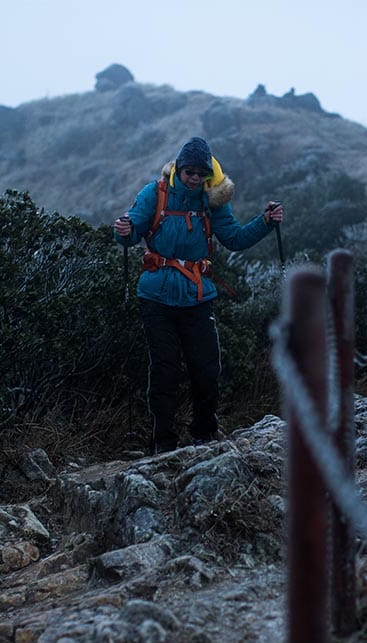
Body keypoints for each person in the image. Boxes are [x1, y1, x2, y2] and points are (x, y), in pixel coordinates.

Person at [114, 136, 284, 454]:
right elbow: (131, 231)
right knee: (164, 370)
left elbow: (234, 238)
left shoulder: (212, 201)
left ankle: (204, 435)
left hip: (197, 296)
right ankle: (163, 443)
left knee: (206, 370)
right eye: (189, 172)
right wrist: (122, 231)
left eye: (200, 173)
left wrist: (264, 222)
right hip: (156, 297)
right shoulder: (154, 193)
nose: (194, 178)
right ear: (178, 169)